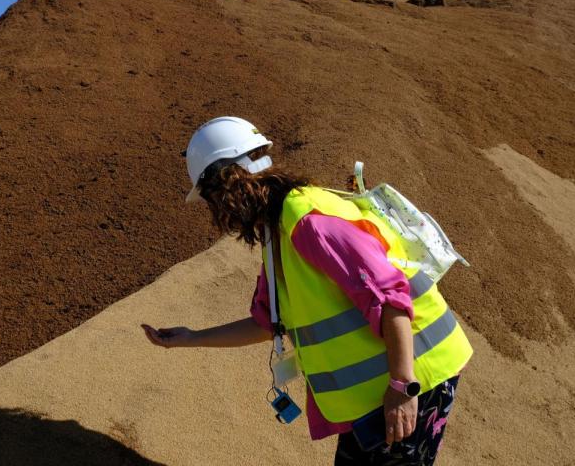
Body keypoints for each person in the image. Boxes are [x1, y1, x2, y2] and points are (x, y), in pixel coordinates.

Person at [142, 116, 473, 465]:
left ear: (227, 182)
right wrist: (190, 338)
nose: (215, 213)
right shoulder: (279, 233)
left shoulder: (307, 219)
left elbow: (388, 296)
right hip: (376, 395)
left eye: (210, 198)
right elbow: (267, 323)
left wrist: (402, 386)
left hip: (417, 378)